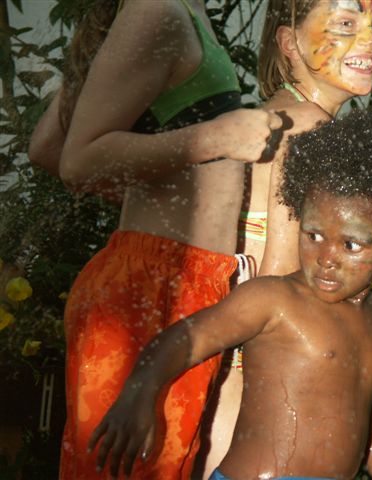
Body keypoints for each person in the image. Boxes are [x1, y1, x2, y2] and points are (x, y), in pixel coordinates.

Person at [88, 109, 372, 480]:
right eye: (314, 235)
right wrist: (140, 393)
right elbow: (185, 338)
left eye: (351, 245)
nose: (326, 257)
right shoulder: (274, 299)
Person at [28, 1, 281, 478]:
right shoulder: (157, 10)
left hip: (178, 281)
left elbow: (47, 146)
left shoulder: (177, 11)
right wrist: (216, 138)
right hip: (151, 287)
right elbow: (77, 161)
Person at [200, 0, 372, 474]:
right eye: (346, 23)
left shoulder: (280, 115)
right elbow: (283, 274)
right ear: (289, 42)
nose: (370, 40)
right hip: (252, 376)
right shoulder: (311, 127)